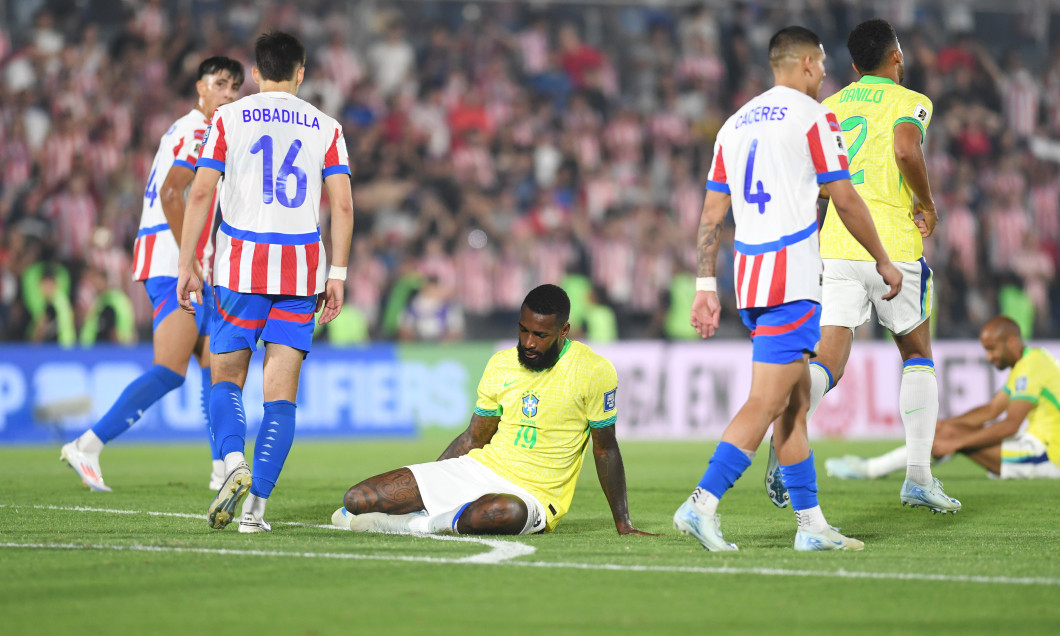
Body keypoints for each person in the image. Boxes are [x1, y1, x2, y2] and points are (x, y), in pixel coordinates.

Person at [672, 26, 902, 552]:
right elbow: (844, 198)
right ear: (803, 63)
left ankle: (812, 526)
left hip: (750, 279)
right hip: (791, 278)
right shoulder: (815, 117)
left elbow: (712, 213)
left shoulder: (733, 124)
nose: (824, 73)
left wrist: (705, 283)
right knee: (766, 402)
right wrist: (884, 260)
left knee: (795, 405)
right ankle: (701, 504)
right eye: (821, 64)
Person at [764, 19, 962, 515]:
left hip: (835, 245)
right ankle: (918, 478)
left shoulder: (827, 108)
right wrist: (926, 203)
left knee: (829, 360)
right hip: (892, 245)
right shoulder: (911, 101)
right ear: (896, 56)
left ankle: (787, 421)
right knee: (917, 354)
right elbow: (904, 148)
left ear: (852, 67)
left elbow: (811, 183)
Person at [177, 32, 354, 533]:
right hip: (302, 269)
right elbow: (341, 205)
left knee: (225, 377)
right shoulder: (327, 127)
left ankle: (232, 463)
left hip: (241, 265)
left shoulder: (228, 119)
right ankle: (254, 513)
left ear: (255, 73)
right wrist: (336, 274)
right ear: (301, 73)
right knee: (281, 395)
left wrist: (187, 262)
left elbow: (200, 194)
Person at [331, 284, 650, 537]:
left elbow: (606, 448)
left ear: (563, 331)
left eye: (540, 335)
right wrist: (433, 481)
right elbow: (474, 437)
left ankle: (414, 525)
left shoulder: (594, 370)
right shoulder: (501, 363)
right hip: (481, 469)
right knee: (357, 499)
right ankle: (428, 514)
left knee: (501, 512)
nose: (528, 342)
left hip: (534, 495)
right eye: (523, 330)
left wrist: (623, 523)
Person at [60, 57, 244, 492]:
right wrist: (190, 261)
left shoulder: (191, 129)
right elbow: (172, 191)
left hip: (189, 262)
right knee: (170, 369)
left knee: (215, 367)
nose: (229, 94)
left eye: (235, 87)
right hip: (174, 261)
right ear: (200, 87)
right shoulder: (197, 130)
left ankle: (221, 471)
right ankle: (87, 444)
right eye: (220, 84)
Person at [826, 316, 1060, 482]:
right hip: (1038, 447)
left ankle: (870, 469)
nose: (989, 357)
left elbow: (1010, 425)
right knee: (946, 434)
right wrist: (950, 426)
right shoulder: (1029, 363)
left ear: (1011, 342)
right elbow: (991, 410)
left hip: (1048, 457)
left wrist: (956, 443)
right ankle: (871, 468)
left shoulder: (1032, 365)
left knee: (951, 438)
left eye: (992, 349)